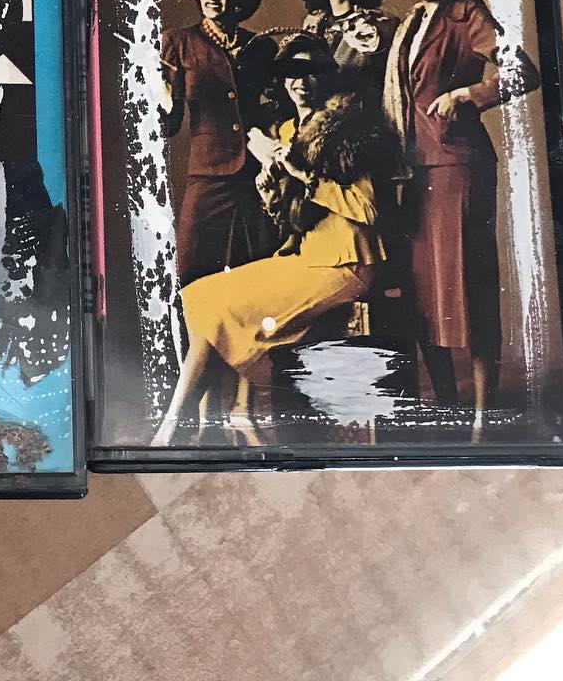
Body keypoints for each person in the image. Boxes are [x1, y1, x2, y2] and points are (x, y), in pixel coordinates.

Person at [151, 34, 397, 446]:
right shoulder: (286, 130)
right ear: (281, 80)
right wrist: (269, 188)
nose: (301, 82)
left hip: (347, 263)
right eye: (292, 73)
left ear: (326, 76)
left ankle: (176, 427)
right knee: (199, 295)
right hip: (307, 258)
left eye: (311, 72)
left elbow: (368, 209)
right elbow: (290, 214)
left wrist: (303, 175)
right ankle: (213, 417)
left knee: (216, 306)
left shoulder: (347, 129)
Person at [382, 0, 541, 440]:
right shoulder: (408, 24)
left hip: (458, 166)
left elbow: (523, 72)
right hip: (414, 170)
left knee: (470, 285)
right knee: (423, 292)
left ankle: (480, 416)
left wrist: (467, 93)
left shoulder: (466, 13)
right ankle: (448, 408)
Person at [158, 0, 277, 286]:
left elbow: (277, 107)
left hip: (255, 177)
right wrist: (163, 100)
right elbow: (169, 125)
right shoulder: (178, 42)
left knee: (257, 276)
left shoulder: (261, 46)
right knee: (187, 273)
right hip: (207, 175)